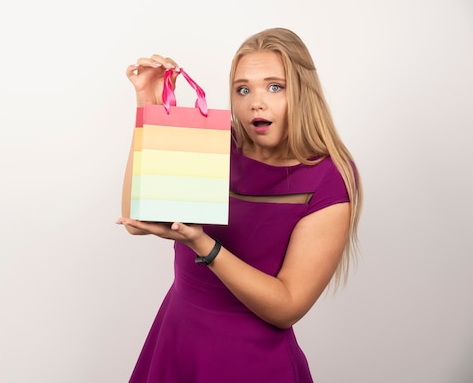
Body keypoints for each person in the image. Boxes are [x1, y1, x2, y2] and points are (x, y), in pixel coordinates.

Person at [117, 27, 363, 383]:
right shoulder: (215, 144)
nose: (255, 102)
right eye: (243, 89)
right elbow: (136, 213)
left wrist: (202, 244)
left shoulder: (329, 176)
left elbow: (287, 307)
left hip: (252, 362)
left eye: (275, 86)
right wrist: (148, 106)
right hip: (176, 341)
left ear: (303, 92)